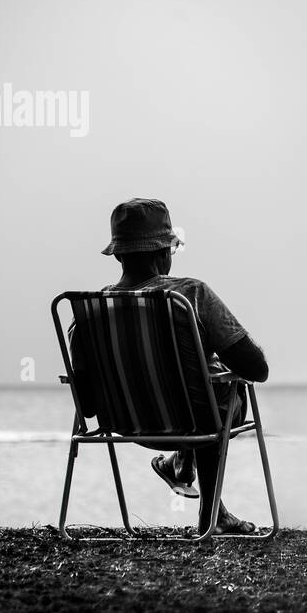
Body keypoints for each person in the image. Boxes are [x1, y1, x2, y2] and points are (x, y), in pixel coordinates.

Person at [77, 197, 270, 535]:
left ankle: (183, 468)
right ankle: (207, 512)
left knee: (196, 390)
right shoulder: (188, 295)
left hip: (127, 425)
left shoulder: (91, 312)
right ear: (163, 252)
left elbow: (88, 405)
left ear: (119, 254)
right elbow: (256, 369)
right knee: (222, 397)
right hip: (195, 421)